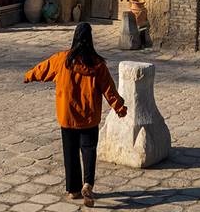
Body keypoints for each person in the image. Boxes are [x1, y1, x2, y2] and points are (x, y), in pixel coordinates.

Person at [24, 22, 127, 206]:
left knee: (70, 152)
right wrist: (119, 107)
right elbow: (109, 90)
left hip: (68, 116)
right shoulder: (98, 65)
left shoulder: (61, 60)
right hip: (89, 118)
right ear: (90, 40)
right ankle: (87, 184)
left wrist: (29, 75)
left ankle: (73, 189)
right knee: (89, 150)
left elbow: (43, 69)